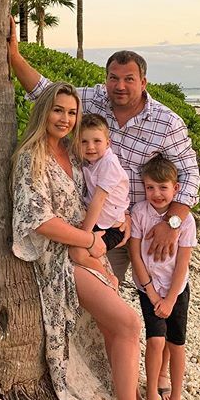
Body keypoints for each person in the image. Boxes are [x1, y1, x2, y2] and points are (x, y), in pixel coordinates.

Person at [8, 18, 200, 400]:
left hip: (139, 229)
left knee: (155, 299)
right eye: (114, 77)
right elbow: (45, 93)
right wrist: (13, 55)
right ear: (106, 79)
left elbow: (190, 177)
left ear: (143, 81)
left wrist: (173, 225)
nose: (120, 86)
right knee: (112, 306)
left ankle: (159, 376)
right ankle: (109, 374)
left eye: (129, 79)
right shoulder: (91, 102)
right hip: (92, 228)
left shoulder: (166, 121)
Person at [12, 81, 163, 400]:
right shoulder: (32, 157)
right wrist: (89, 243)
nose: (65, 119)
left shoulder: (73, 154)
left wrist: (121, 220)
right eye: (58, 110)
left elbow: (101, 195)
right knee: (130, 322)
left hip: (83, 249)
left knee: (120, 325)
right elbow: (37, 220)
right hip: (55, 259)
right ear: (44, 111)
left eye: (72, 112)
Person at [129, 155, 197, 400]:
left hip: (176, 291)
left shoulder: (185, 220)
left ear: (176, 188)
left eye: (163, 188)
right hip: (149, 289)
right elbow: (135, 253)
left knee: (176, 344)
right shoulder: (140, 213)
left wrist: (169, 299)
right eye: (150, 188)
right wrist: (152, 292)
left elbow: (183, 263)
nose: (156, 194)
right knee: (155, 341)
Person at [68, 114, 130, 290]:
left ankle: (109, 278)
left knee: (77, 252)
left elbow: (98, 201)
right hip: (99, 222)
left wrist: (85, 235)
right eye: (84, 142)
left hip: (112, 228)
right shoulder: (91, 162)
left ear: (108, 143)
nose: (91, 147)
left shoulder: (109, 163)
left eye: (97, 141)